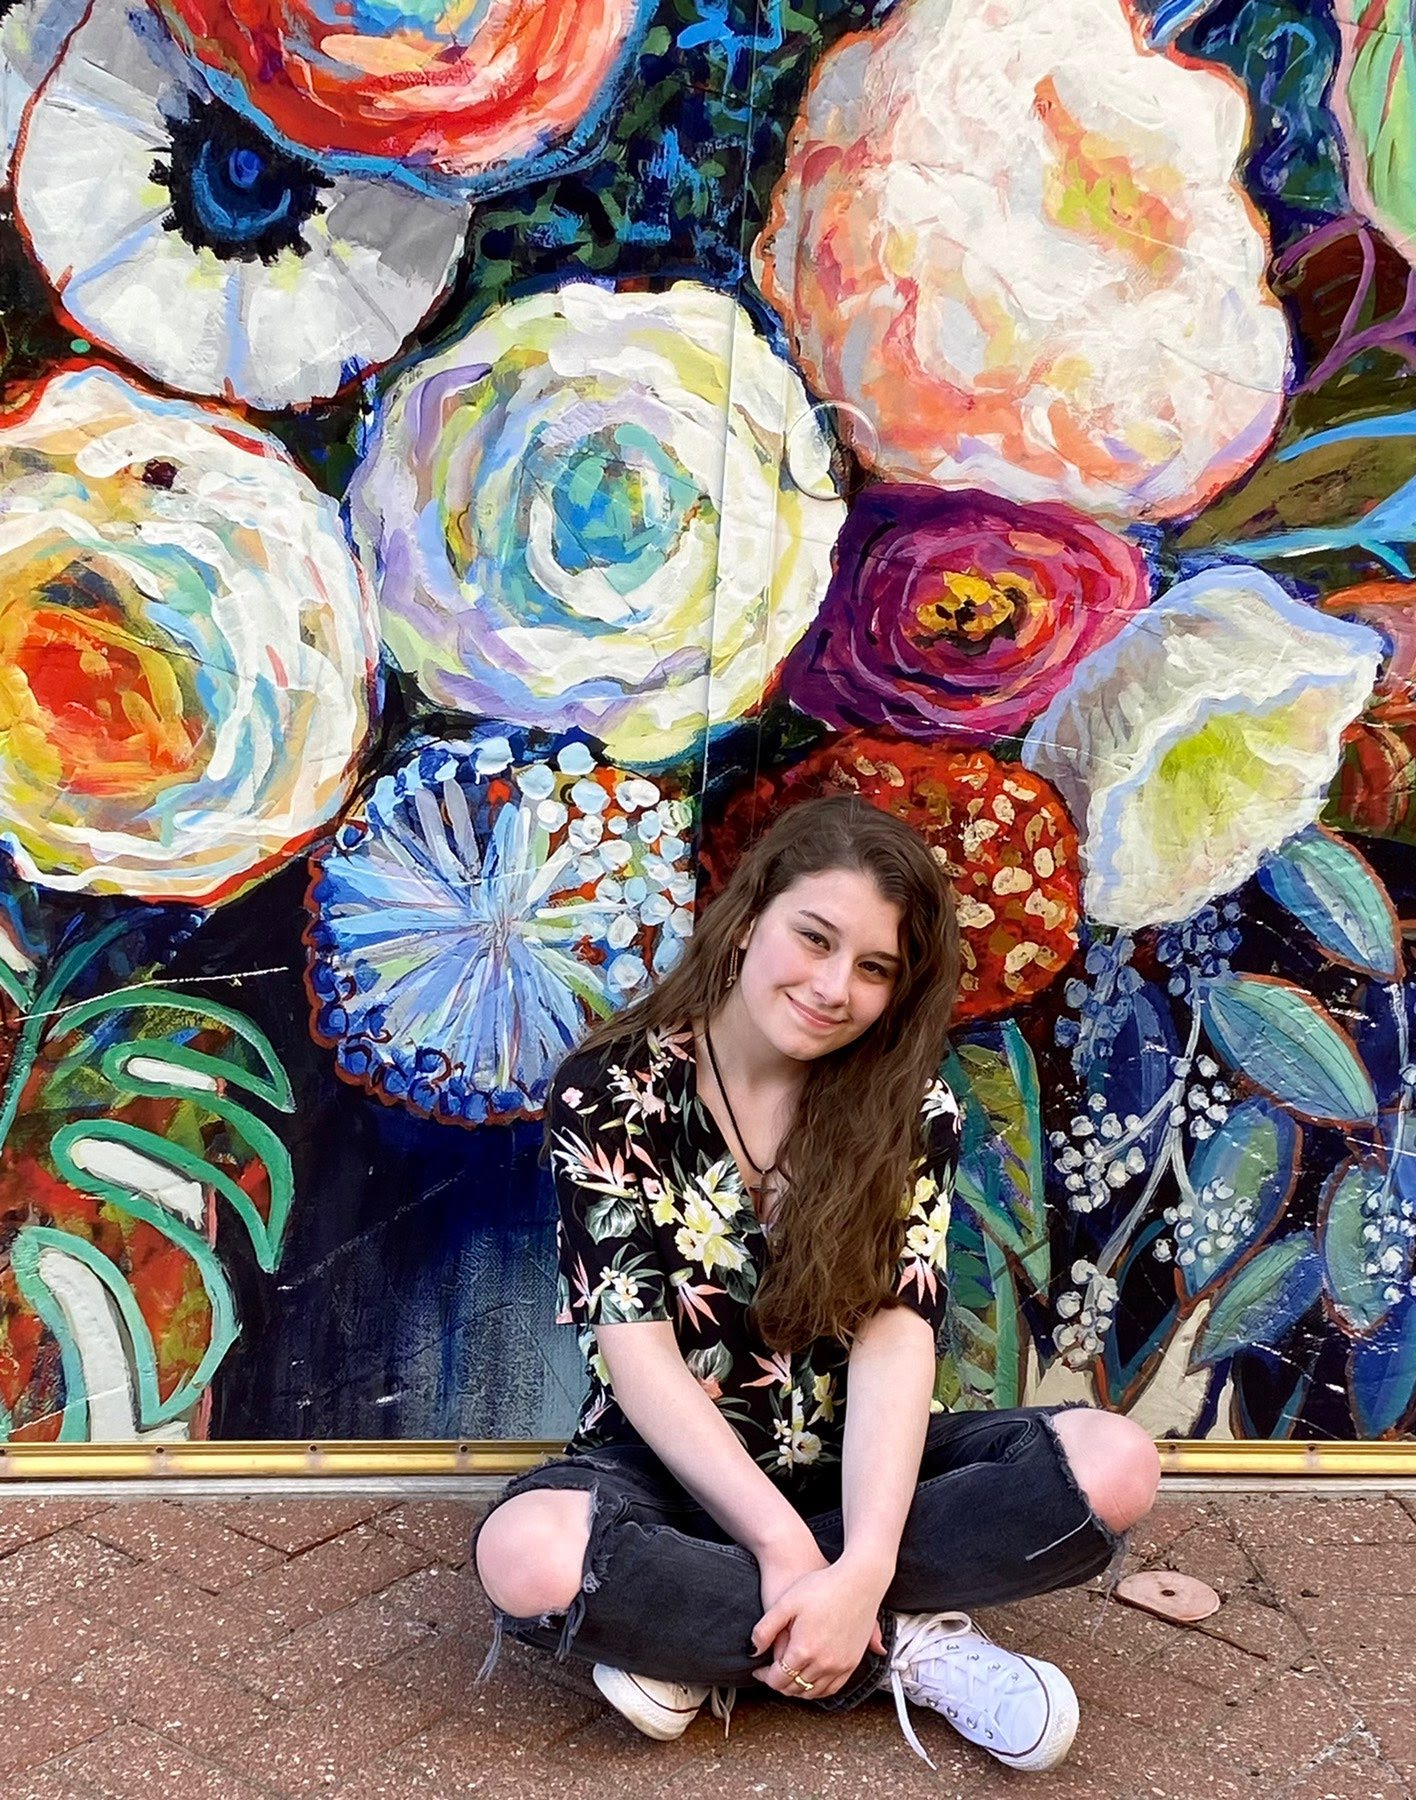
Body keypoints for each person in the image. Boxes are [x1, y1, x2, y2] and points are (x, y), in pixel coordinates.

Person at [473, 795, 1160, 1771]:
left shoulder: (906, 1107)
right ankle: (896, 1645)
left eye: (874, 969)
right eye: (815, 938)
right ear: (751, 916)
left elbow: (894, 1337)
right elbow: (638, 1354)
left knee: (1117, 1462)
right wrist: (792, 1556)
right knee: (527, 1552)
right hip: (667, 1471)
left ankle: (727, 1635)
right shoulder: (611, 1089)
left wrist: (866, 1557)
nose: (834, 987)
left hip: (861, 1468)